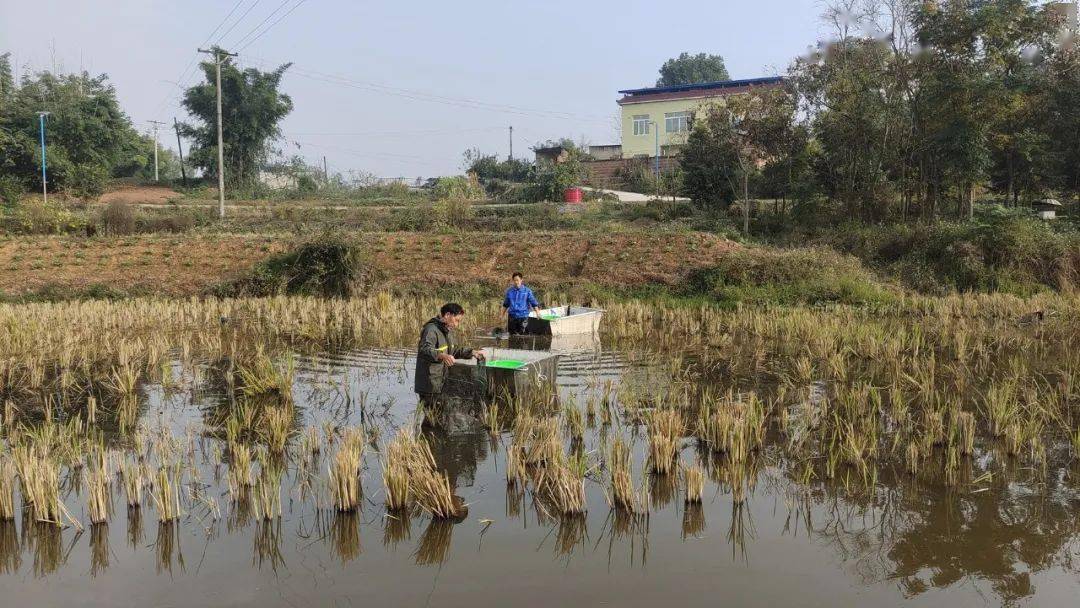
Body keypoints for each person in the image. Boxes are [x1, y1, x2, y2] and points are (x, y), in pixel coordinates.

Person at [415, 302, 486, 403]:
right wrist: (442, 355)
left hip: (440, 382)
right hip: (429, 385)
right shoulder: (431, 329)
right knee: (433, 416)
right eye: (456, 320)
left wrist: (472, 352)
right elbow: (424, 349)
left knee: (437, 416)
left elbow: (453, 350)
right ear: (447, 315)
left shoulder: (446, 331)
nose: (457, 325)